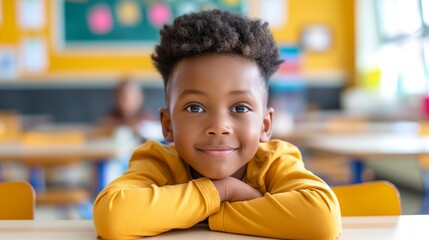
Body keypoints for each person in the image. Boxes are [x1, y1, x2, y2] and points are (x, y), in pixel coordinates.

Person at [93, 9, 341, 239]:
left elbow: (322, 219)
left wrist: (204, 213)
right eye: (195, 108)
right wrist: (221, 192)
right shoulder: (159, 162)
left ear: (265, 125)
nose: (219, 126)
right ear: (167, 124)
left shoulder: (273, 161)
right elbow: (113, 218)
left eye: (240, 108)